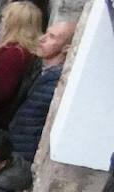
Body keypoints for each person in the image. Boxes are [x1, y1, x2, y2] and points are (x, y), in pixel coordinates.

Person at [8, 21, 75, 161]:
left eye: (52, 37)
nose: (42, 39)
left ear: (67, 48)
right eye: (46, 32)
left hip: (23, 154)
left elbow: (33, 122)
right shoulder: (38, 68)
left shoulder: (57, 83)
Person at [0, 1, 44, 124]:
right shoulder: (9, 43)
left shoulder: (15, 55)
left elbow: (1, 92)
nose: (2, 20)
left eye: (5, 17)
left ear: (14, 23)